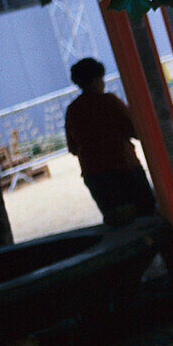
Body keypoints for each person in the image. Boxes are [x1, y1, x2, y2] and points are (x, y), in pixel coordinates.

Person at [65, 58, 156, 225]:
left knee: (119, 224)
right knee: (147, 217)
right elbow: (135, 131)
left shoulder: (72, 110)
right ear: (95, 80)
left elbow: (73, 148)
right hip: (124, 167)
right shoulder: (109, 101)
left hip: (94, 175)